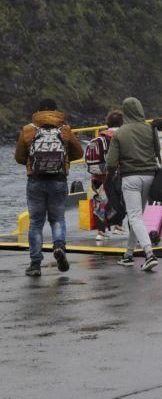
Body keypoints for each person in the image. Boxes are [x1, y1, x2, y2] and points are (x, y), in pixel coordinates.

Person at [14, 99, 84, 277]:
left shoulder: (28, 130)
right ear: (55, 111)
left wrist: (32, 162)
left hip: (35, 180)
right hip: (59, 180)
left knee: (36, 223)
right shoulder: (65, 130)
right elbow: (79, 153)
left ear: (38, 111)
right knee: (58, 218)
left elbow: (19, 157)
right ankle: (59, 246)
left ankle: (35, 265)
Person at [105, 97, 161, 271]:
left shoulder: (120, 133)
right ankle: (128, 255)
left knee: (134, 217)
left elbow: (111, 162)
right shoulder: (150, 128)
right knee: (137, 217)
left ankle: (149, 254)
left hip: (130, 178)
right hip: (150, 176)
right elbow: (157, 151)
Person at [89, 110, 125, 241]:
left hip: (98, 176)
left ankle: (101, 232)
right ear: (122, 122)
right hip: (116, 175)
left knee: (100, 202)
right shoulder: (123, 135)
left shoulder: (100, 137)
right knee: (120, 200)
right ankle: (117, 226)